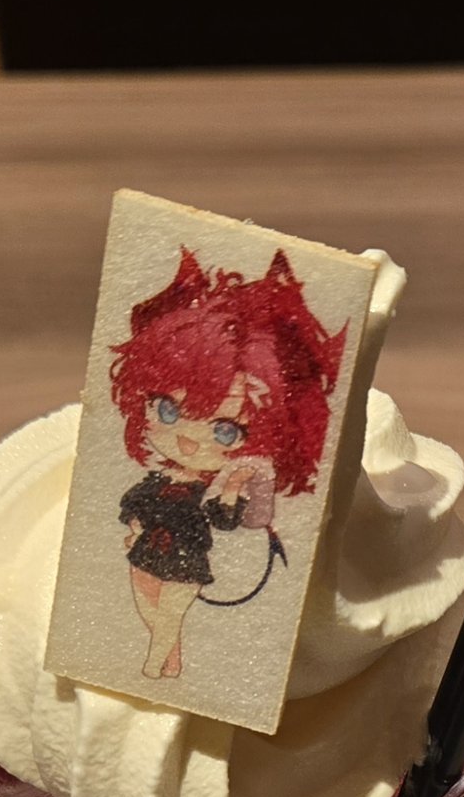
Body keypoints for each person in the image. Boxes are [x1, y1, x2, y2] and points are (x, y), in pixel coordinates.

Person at [108, 248, 344, 680]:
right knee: (148, 602)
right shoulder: (157, 480)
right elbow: (136, 502)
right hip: (146, 552)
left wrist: (234, 486)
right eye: (167, 409)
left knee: (171, 611)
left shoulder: (213, 488)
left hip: (187, 558)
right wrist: (135, 528)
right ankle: (171, 662)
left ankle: (154, 665)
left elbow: (223, 518)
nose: (187, 438)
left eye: (224, 431)